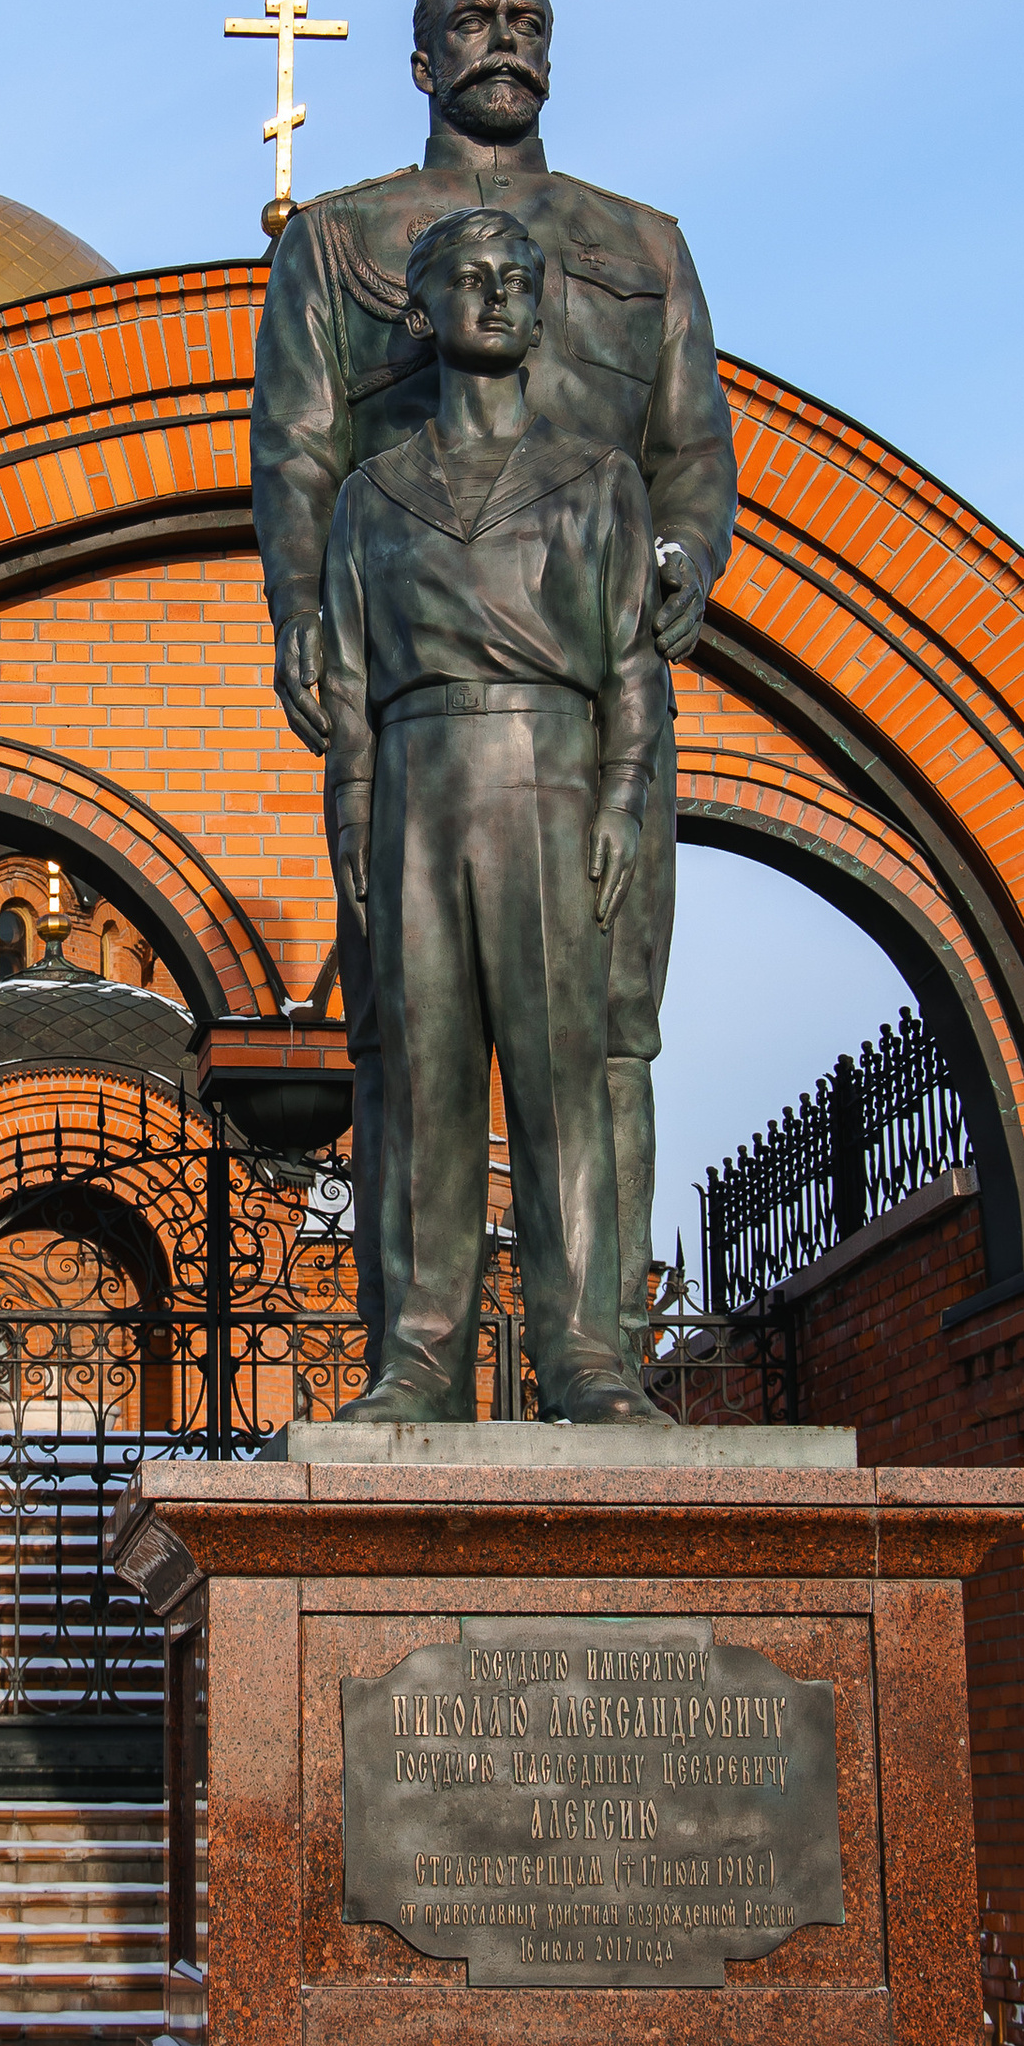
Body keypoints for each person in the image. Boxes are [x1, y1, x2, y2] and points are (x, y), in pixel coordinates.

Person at [251, 0, 736, 1370]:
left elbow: (692, 452)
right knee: (411, 1038)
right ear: (421, 62)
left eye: (526, 22)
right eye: (472, 22)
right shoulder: (343, 239)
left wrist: (679, 566)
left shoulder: (640, 246)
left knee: (602, 1034)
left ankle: (600, 1358)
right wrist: (306, 616)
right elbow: (297, 448)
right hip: (423, 675)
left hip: (591, 679)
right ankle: (420, 1355)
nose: (502, 42)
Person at [321, 208, 667, 1425]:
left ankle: (585, 1354)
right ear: (424, 308)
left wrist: (623, 797)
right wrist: (356, 813)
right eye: (471, 277)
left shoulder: (596, 476)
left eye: (520, 277)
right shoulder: (372, 496)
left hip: (550, 769)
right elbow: (351, 684)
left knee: (562, 1074)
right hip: (418, 773)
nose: (500, 293)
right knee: (422, 1077)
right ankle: (419, 1356)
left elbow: (631, 663)